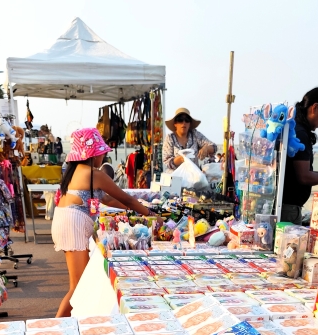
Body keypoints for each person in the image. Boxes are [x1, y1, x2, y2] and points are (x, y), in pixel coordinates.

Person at [51, 128, 161, 317]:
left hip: (66, 222)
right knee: (79, 287)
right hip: (72, 225)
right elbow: (127, 199)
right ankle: (56, 326)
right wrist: (151, 214)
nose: (103, 156)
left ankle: (64, 325)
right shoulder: (94, 174)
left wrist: (135, 209)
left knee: (78, 285)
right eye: (101, 153)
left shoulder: (75, 171)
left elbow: (108, 200)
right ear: (93, 154)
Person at [281, 87, 318, 225]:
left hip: (284, 206)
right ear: (314, 107)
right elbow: (304, 176)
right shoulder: (300, 133)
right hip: (289, 210)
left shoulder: (294, 128)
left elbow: (300, 171)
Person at [162, 107, 217, 172]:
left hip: (194, 175)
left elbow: (214, 147)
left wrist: (206, 148)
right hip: (176, 176)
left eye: (187, 120)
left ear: (189, 124)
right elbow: (167, 161)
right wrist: (182, 159)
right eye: (180, 120)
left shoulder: (195, 134)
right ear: (175, 124)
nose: (184, 122)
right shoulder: (170, 138)